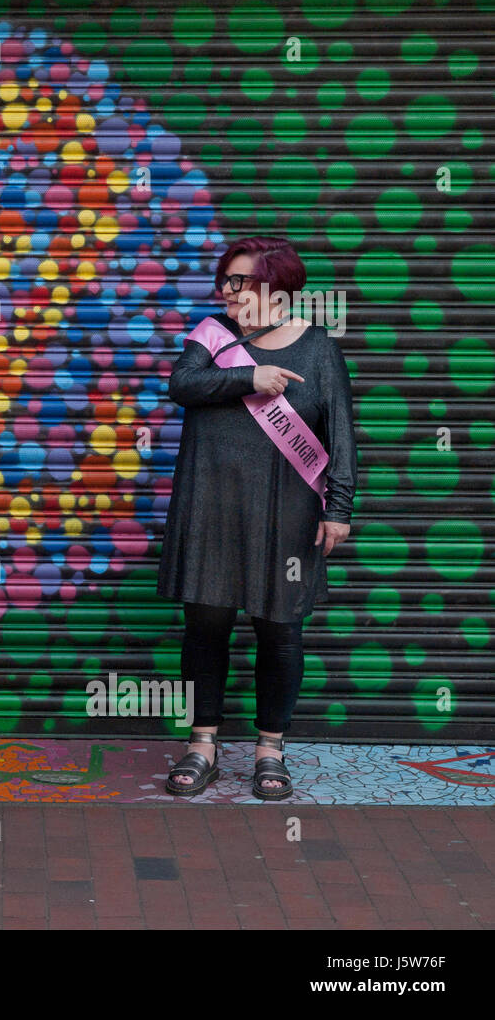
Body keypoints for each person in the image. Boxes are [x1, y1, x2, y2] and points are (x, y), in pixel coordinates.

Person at [158, 236, 356, 800]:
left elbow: (338, 429)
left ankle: (270, 749)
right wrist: (250, 377)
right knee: (206, 628)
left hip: (287, 510)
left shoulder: (318, 348)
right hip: (211, 504)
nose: (227, 290)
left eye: (238, 281)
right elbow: (182, 385)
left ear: (276, 286)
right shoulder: (212, 336)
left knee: (280, 631)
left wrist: (338, 508)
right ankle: (203, 745)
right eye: (226, 280)